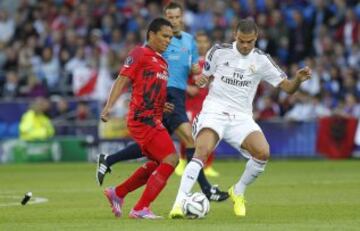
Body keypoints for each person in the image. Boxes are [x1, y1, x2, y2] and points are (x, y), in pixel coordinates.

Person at [169, 18, 312, 218]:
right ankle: (178, 203)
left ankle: (238, 190)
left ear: (256, 39)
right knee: (201, 151)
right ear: (235, 35)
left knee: (263, 152)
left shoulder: (262, 60)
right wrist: (203, 79)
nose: (245, 46)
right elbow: (206, 76)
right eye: (242, 41)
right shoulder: (219, 51)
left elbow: (287, 88)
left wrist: (297, 79)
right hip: (214, 111)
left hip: (241, 116)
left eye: (250, 42)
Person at [96, 1, 228, 202]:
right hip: (164, 96)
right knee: (185, 143)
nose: (173, 21)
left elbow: (194, 70)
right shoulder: (149, 48)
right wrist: (110, 106)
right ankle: (204, 190)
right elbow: (133, 75)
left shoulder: (188, 42)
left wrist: (199, 77)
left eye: (177, 17)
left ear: (182, 18)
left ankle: (115, 178)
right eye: (170, 17)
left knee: (156, 153)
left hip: (173, 98)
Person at [100, 17, 177, 219]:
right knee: (171, 159)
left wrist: (162, 105)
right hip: (142, 119)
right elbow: (122, 79)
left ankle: (118, 192)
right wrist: (108, 107)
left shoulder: (162, 62)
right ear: (151, 34)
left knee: (157, 163)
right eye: (164, 36)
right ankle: (141, 208)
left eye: (170, 37)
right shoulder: (139, 53)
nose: (168, 40)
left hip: (154, 118)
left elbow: (150, 91)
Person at [176, 31, 220, 177]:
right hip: (190, 104)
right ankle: (182, 161)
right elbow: (176, 78)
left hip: (207, 105)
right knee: (188, 133)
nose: (201, 45)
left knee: (211, 134)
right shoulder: (189, 60)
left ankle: (207, 166)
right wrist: (188, 87)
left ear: (209, 44)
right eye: (198, 42)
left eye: (204, 42)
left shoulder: (214, 62)